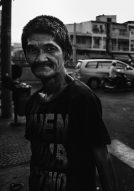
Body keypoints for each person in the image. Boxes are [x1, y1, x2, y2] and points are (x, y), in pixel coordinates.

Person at [21, 15, 117, 191]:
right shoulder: (32, 103)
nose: (41, 58)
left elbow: (102, 159)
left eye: (50, 49)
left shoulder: (82, 98)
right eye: (33, 50)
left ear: (66, 52)